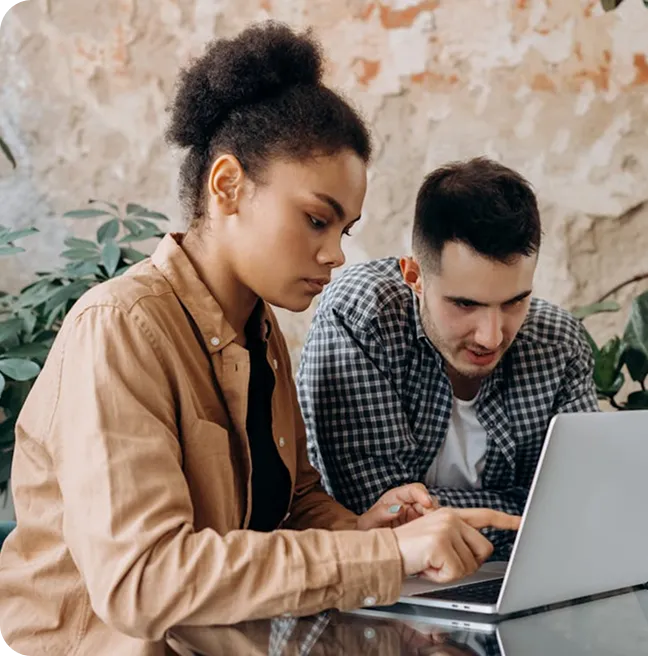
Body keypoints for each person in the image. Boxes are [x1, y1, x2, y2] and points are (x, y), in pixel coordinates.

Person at [0, 23, 520, 656]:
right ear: (227, 187)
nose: (334, 254)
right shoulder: (118, 329)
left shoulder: (259, 329)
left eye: (344, 230)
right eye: (315, 220)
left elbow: (290, 504)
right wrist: (379, 555)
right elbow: (141, 581)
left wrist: (368, 528)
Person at [297, 157, 599, 559]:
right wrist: (531, 516)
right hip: (379, 600)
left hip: (518, 592)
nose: (491, 336)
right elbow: (373, 512)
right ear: (414, 276)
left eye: (515, 302)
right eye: (464, 304)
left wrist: (437, 518)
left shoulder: (559, 344)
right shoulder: (361, 315)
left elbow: (589, 514)